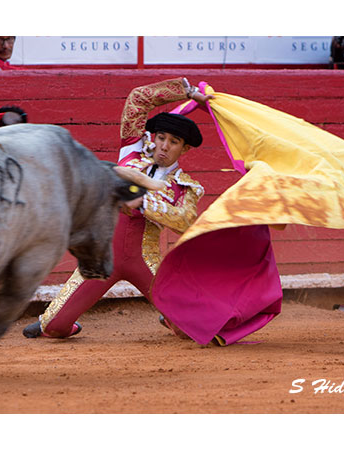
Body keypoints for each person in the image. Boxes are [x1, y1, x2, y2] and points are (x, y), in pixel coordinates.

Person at [23, 77, 212, 339]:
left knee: (191, 330)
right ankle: (61, 322)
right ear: (154, 137)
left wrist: (143, 202)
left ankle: (170, 317)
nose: (164, 146)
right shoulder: (132, 151)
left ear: (185, 148)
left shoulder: (186, 186)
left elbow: (185, 221)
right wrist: (188, 92)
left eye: (174, 141)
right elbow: (138, 99)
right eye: (161, 137)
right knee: (53, 327)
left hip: (144, 260)